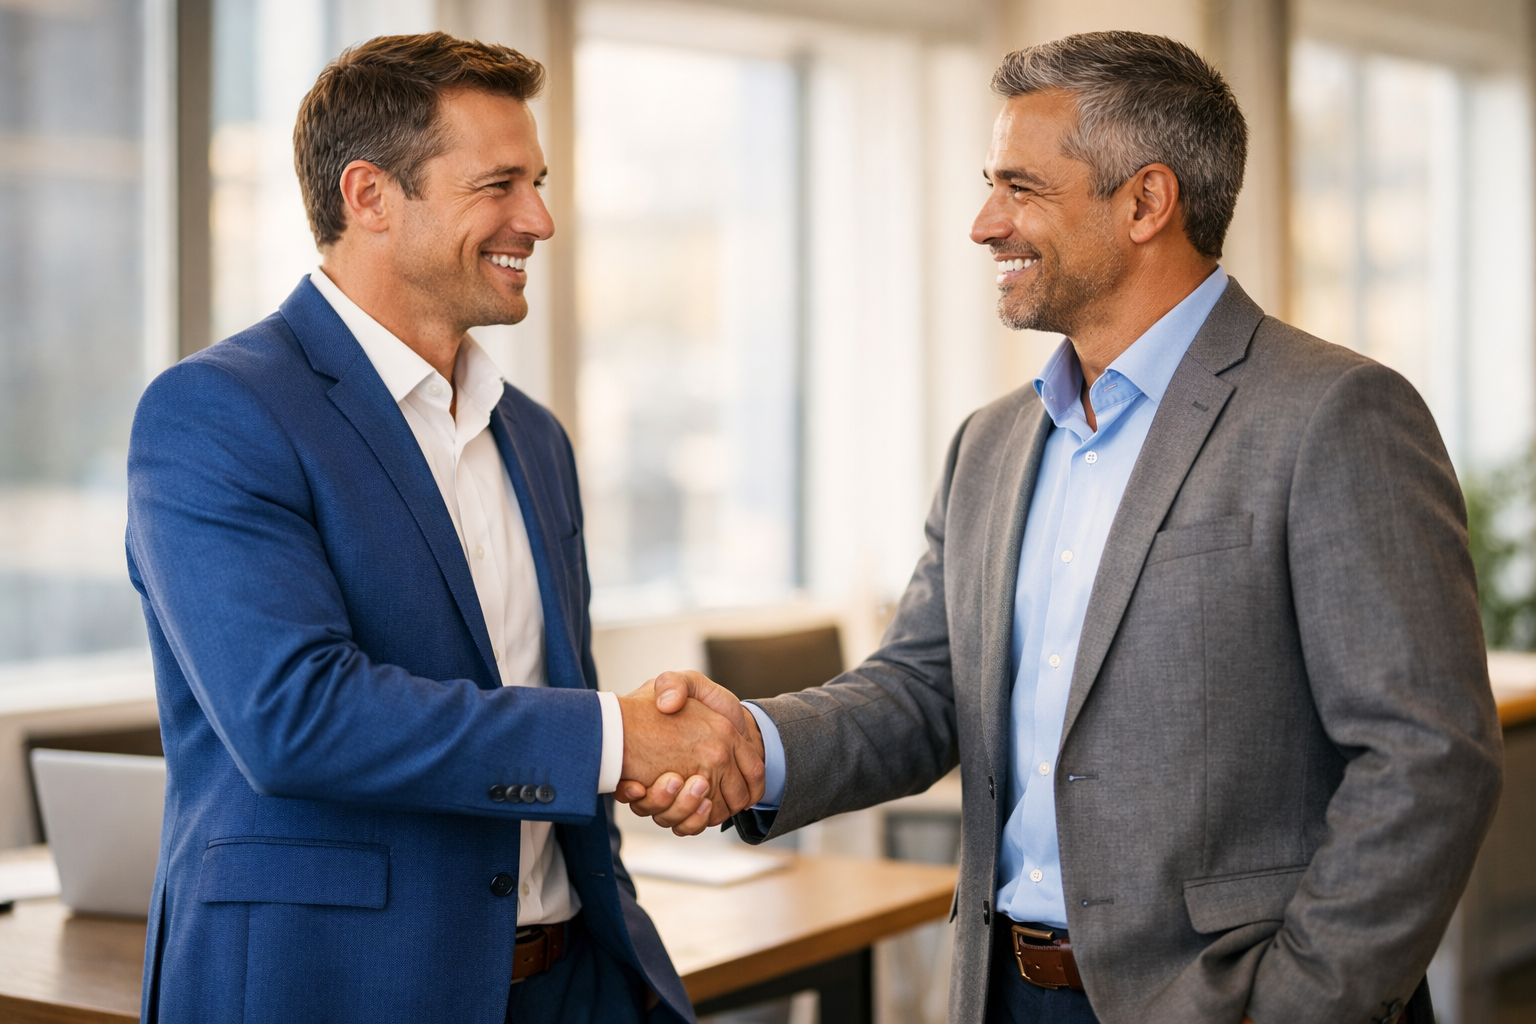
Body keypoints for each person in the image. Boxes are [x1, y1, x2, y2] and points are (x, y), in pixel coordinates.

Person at [618, 30, 1504, 1024]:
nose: (983, 223)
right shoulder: (990, 445)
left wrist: (1298, 1005)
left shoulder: (1334, 414)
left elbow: (1429, 759)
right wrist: (750, 741)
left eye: (1020, 188)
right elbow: (919, 692)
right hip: (1002, 992)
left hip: (1229, 998)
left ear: (1144, 202)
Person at [126, 33, 762, 1024]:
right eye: (499, 185)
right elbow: (296, 717)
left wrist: (641, 762)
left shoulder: (535, 440)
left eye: (538, 182)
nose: (540, 220)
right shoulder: (215, 412)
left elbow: (548, 712)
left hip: (569, 980)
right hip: (336, 990)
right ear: (369, 195)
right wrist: (613, 738)